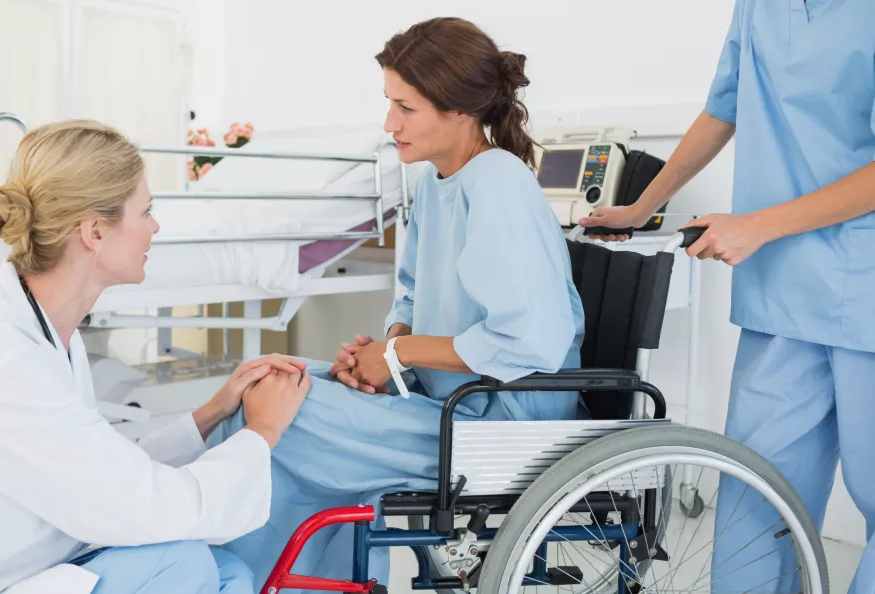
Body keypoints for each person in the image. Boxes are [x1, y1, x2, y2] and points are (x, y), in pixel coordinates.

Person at [209, 17, 585, 591]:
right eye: (390, 104)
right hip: (448, 404)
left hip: (501, 420)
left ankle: (238, 579)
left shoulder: (499, 185)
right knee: (269, 377)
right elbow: (410, 291)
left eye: (405, 108)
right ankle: (245, 577)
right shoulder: (437, 182)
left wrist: (401, 353)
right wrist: (382, 355)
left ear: (459, 109)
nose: (389, 125)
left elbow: (530, 340)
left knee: (282, 414)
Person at [0, 120, 311, 594]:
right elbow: (140, 504)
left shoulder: (45, 329)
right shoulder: (2, 362)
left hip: (6, 560)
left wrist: (211, 413)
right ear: (94, 231)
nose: (155, 227)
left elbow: (96, 470)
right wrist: (262, 433)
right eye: (146, 211)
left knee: (231, 572)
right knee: (183, 563)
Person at [579, 1, 875, 591]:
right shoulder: (759, 6)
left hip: (863, 290)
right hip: (781, 292)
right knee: (756, 494)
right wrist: (642, 206)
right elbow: (724, 107)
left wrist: (761, 225)